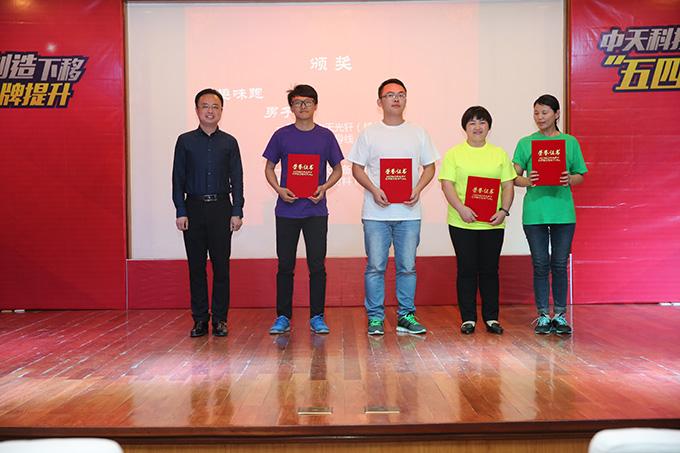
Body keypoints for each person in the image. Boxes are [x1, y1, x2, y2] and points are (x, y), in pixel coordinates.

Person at [348, 78, 439, 335]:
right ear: (380, 102)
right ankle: (375, 318)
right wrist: (374, 189)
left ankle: (406, 316)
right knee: (375, 267)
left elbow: (430, 167)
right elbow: (357, 168)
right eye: (390, 95)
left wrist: (417, 189)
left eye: (401, 94)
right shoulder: (369, 133)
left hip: (409, 214)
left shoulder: (418, 132)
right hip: (375, 214)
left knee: (407, 268)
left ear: (406, 99)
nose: (396, 99)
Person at [263, 84, 344, 335]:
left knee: (317, 266)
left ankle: (317, 316)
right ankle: (283, 316)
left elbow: (338, 169)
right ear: (291, 107)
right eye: (298, 102)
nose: (303, 106)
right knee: (285, 265)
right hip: (286, 211)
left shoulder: (326, 136)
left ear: (315, 105)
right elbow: (269, 167)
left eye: (308, 102)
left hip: (315, 212)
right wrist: (279, 189)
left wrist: (325, 187)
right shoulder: (281, 135)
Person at [512, 94, 587, 335]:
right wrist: (528, 180)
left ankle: (561, 315)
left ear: (556, 114)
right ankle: (544, 315)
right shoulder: (526, 143)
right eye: (536, 112)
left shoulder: (570, 142)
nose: (540, 117)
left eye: (544, 112)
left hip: (563, 213)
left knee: (560, 264)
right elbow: (513, 176)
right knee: (540, 264)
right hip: (535, 213)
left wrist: (569, 179)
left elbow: (580, 175)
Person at [172, 88, 244, 338]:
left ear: (221, 111)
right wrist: (180, 210)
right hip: (193, 208)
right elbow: (177, 178)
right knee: (196, 267)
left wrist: (237, 210)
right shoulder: (185, 141)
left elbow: (237, 178)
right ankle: (200, 319)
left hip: (221, 208)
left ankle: (220, 319)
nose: (210, 111)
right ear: (197, 110)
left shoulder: (229, 142)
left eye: (215, 106)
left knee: (221, 267)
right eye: (205, 106)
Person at [439, 106, 515, 335]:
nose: (477, 127)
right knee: (466, 269)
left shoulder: (499, 154)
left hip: (493, 222)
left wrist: (504, 210)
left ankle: (491, 318)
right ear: (465, 127)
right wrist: (461, 209)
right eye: (472, 122)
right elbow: (447, 184)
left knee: (490, 270)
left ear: (489, 127)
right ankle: (468, 319)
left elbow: (508, 185)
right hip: (462, 222)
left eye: (482, 122)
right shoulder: (454, 154)